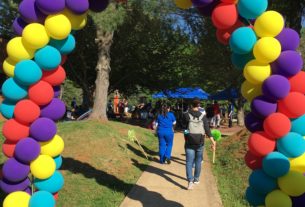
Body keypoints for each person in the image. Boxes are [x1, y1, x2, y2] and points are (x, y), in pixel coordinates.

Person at [183, 99, 216, 190]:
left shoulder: (186, 115)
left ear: (191, 104)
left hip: (189, 142)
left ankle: (190, 181)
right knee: (198, 161)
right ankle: (196, 179)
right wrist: (213, 141)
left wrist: (186, 136)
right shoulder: (203, 116)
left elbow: (185, 129)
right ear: (199, 105)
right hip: (200, 142)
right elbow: (207, 130)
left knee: (189, 162)